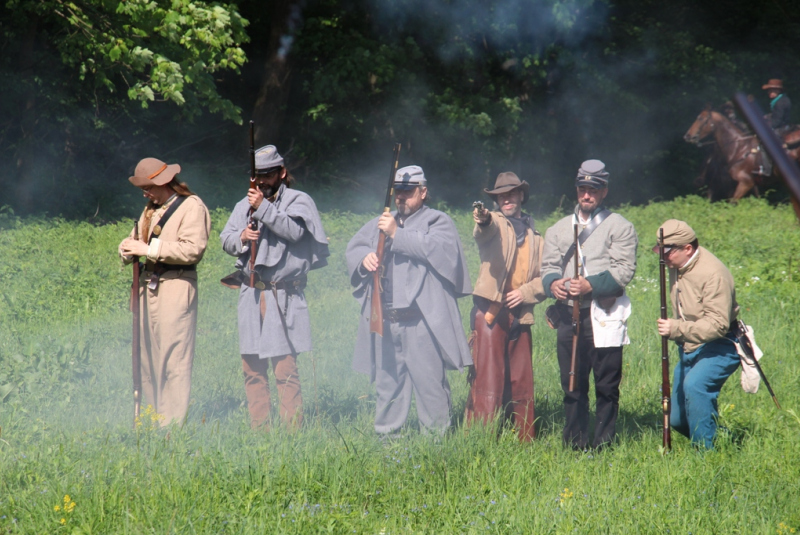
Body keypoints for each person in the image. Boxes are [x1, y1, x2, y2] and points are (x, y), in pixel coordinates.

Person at [346, 165, 472, 436]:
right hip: (386, 318)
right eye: (397, 192)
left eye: (408, 191)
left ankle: (436, 447)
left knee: (431, 388)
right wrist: (363, 259)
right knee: (388, 386)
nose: (401, 197)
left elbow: (439, 251)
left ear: (423, 192)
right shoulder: (382, 222)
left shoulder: (438, 221)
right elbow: (354, 248)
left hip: (421, 321)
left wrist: (396, 234)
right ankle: (387, 445)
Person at [220, 145, 329, 430]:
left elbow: (295, 232)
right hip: (251, 294)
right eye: (257, 177)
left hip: (283, 294)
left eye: (268, 175)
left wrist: (263, 208)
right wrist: (243, 236)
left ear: (281, 173)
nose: (262, 182)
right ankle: (260, 431)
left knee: (284, 367)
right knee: (252, 367)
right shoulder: (243, 205)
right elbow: (226, 239)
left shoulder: (298, 200)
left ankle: (292, 432)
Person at [541, 159, 638, 450]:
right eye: (582, 188)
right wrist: (553, 284)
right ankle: (574, 444)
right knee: (572, 383)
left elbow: (624, 271)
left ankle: (604, 444)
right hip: (569, 315)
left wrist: (590, 285)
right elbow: (547, 267)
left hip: (605, 314)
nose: (587, 195)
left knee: (606, 386)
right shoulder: (557, 230)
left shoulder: (619, 226)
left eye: (593, 190)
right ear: (576, 189)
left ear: (604, 191)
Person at [119, 157, 211, 426]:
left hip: (176, 287)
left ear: (163, 182)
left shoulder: (192, 207)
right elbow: (135, 241)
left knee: (174, 359)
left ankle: (171, 426)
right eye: (143, 190)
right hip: (148, 289)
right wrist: (126, 248)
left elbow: (193, 249)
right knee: (148, 357)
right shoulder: (150, 210)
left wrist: (149, 250)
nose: (145, 194)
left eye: (148, 188)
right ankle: (152, 418)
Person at [465, 172, 545, 441]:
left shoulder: (535, 234)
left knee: (521, 382)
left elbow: (545, 277)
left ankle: (524, 441)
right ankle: (481, 441)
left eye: (511, 193)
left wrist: (525, 293)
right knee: (488, 382)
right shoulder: (495, 221)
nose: (506, 199)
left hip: (521, 313)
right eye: (501, 196)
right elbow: (484, 228)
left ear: (521, 195)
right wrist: (483, 218)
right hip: (491, 313)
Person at [654, 219, 740, 449]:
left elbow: (718, 324)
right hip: (690, 344)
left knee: (695, 386)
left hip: (721, 343)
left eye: (667, 252)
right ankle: (725, 439)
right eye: (660, 251)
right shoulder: (676, 265)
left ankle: (705, 458)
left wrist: (676, 329)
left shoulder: (714, 274)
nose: (663, 258)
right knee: (677, 420)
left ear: (688, 248)